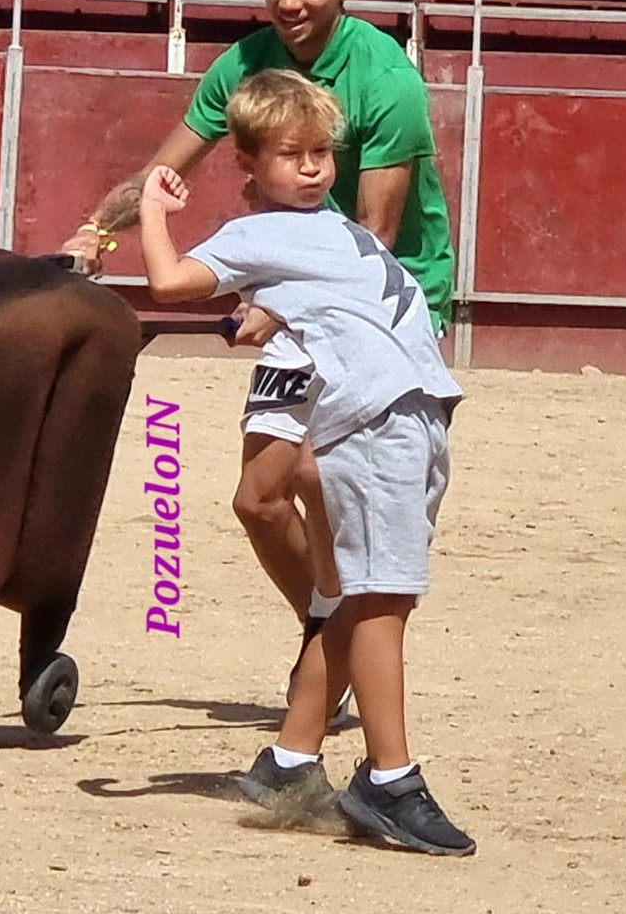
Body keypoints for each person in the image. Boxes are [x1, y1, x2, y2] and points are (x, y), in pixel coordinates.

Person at [61, 0, 456, 646]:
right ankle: (328, 632)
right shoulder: (244, 65)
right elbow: (160, 172)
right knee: (259, 501)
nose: (288, 1)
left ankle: (347, 647)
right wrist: (93, 234)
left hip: (389, 299)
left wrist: (280, 307)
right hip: (291, 293)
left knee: (321, 476)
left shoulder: (388, 80)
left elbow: (372, 238)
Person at [138, 68, 474, 856]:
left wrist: (261, 311)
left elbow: (317, 299)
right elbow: (169, 280)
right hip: (376, 416)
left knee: (362, 598)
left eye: (322, 151)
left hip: (411, 413)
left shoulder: (331, 231)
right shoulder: (259, 234)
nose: (314, 166)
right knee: (378, 598)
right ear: (249, 164)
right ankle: (390, 776)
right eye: (292, 154)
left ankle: (292, 760)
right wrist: (155, 209)